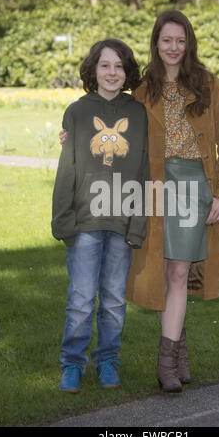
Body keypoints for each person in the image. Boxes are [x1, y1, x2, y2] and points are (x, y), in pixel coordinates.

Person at [59, 10, 219, 394]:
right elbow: (105, 109)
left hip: (194, 186)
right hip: (153, 188)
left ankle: (166, 361)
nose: (173, 48)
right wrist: (71, 134)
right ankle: (178, 352)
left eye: (180, 40)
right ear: (156, 43)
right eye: (166, 40)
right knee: (162, 272)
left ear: (188, 43)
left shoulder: (208, 84)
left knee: (178, 272)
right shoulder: (143, 89)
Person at [52, 39, 149, 393]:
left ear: (128, 72)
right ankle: (72, 363)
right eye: (105, 65)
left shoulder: (137, 113)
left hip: (122, 220)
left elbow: (143, 169)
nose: (112, 72)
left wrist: (137, 223)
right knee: (80, 297)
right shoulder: (77, 112)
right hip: (85, 222)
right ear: (94, 69)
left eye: (119, 66)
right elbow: (68, 168)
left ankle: (108, 359)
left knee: (112, 299)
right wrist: (63, 219)